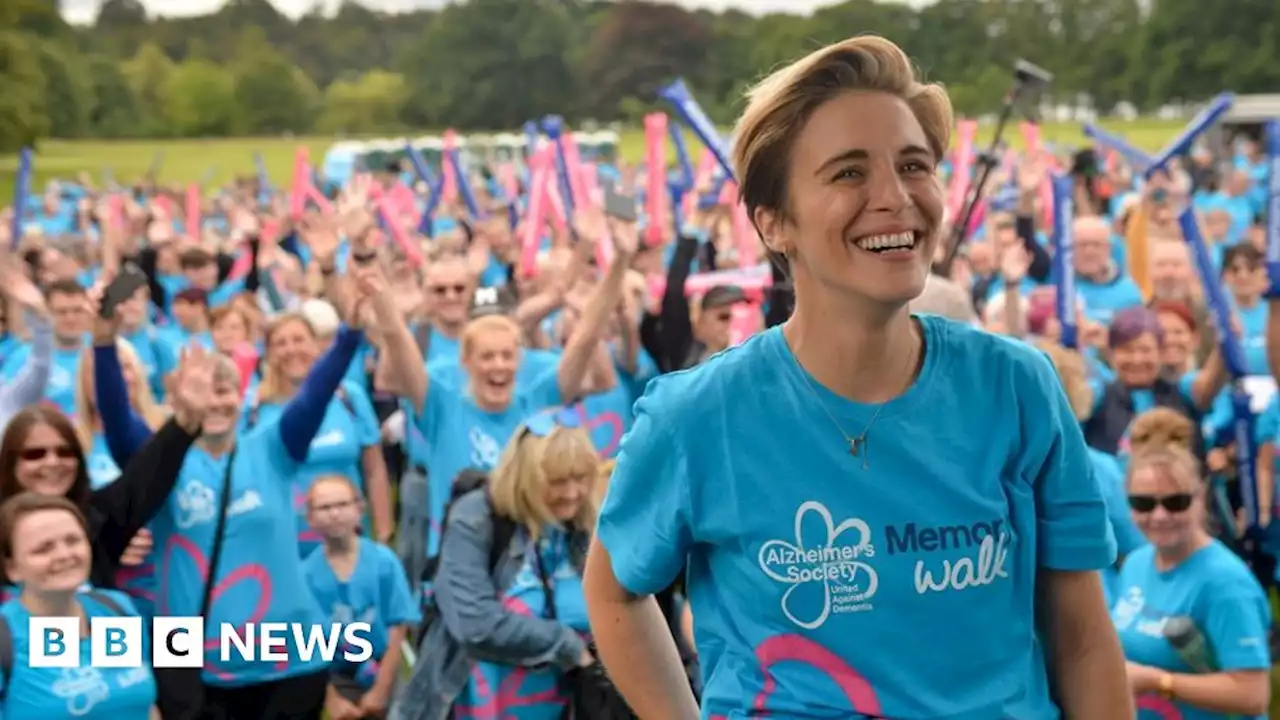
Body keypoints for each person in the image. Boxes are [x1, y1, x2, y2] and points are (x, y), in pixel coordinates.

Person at [584, 35, 1131, 718]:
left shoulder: (1019, 389)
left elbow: (1081, 641)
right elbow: (612, 591)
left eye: (914, 165)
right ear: (774, 222)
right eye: (848, 173)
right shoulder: (698, 415)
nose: (895, 198)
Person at [392, 407, 600, 720]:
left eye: (580, 478)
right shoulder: (477, 518)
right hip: (478, 704)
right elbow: (475, 624)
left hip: (565, 705)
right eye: (557, 481)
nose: (572, 494)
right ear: (526, 477)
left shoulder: (581, 527)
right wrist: (566, 644)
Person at [1112, 446, 1271, 718]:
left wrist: (1158, 681)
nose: (1159, 515)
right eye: (1143, 503)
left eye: (1176, 502)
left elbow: (1253, 694)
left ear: (1201, 498)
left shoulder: (1226, 584)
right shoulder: (1136, 564)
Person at [0, 492, 160, 719]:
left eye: (73, 540)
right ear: (12, 568)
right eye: (43, 548)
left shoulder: (116, 609)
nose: (65, 554)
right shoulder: (6, 639)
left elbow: (146, 706)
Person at [302, 475, 418, 720]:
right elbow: (306, 642)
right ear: (310, 518)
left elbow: (399, 624)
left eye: (342, 505)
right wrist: (331, 697)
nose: (334, 514)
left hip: (383, 666)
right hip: (333, 675)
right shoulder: (306, 575)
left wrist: (381, 689)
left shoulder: (383, 561)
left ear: (359, 509)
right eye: (324, 508)